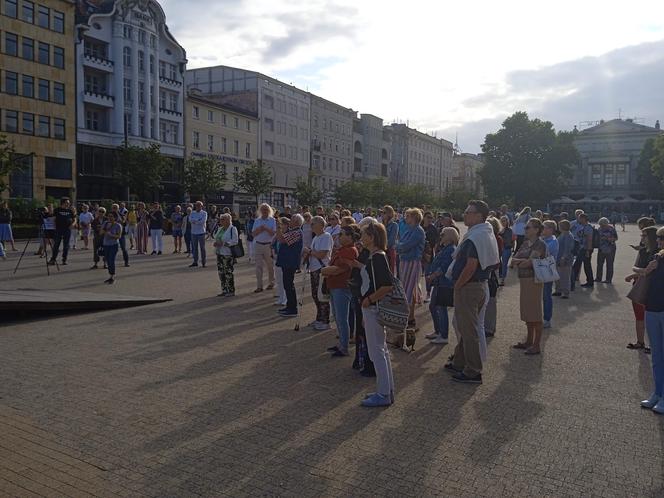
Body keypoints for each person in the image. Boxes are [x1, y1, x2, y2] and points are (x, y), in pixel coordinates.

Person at [446, 200, 498, 384]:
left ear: (478, 215)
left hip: (469, 286)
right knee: (465, 326)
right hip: (478, 285)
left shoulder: (476, 236)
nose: (465, 214)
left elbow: (470, 266)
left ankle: (473, 371)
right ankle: (460, 362)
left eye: (468, 212)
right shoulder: (484, 232)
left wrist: (458, 285)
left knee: (469, 330)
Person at [356, 221, 395, 407]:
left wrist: (369, 300)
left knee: (376, 351)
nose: (361, 237)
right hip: (371, 307)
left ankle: (383, 393)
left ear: (371, 237)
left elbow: (387, 285)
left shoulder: (378, 257)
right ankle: (386, 389)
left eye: (363, 234)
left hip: (373, 307)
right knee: (381, 350)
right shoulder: (375, 255)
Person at [635, 227, 664, 413]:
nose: (660, 241)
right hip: (652, 308)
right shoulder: (657, 258)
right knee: (656, 356)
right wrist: (647, 270)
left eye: (663, 238)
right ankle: (658, 392)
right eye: (660, 238)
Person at [511, 218, 548, 355]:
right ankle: (529, 340)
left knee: (535, 313)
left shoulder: (540, 244)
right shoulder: (526, 243)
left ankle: (536, 344)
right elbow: (514, 259)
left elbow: (530, 262)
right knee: (527, 311)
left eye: (528, 227)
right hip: (525, 280)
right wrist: (522, 261)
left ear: (536, 230)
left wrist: (520, 261)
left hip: (534, 280)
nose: (525, 229)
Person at [322, 225, 360, 356]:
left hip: (342, 287)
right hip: (335, 285)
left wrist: (323, 271)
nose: (339, 236)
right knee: (339, 318)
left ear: (350, 237)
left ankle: (344, 347)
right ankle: (341, 344)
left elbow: (339, 269)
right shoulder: (343, 249)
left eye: (342, 234)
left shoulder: (350, 250)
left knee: (342, 318)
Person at [626, 226, 659, 353]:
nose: (642, 238)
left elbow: (644, 271)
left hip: (652, 288)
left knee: (652, 317)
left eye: (644, 235)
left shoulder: (657, 253)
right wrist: (638, 272)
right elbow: (643, 270)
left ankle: (653, 343)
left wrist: (636, 272)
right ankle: (640, 342)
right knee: (639, 315)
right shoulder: (644, 251)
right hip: (640, 285)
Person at [425, 227, 458, 344]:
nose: (441, 236)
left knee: (440, 308)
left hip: (444, 283)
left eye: (443, 234)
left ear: (449, 236)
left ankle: (443, 335)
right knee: (434, 306)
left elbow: (444, 267)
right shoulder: (446, 248)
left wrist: (432, 276)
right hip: (440, 282)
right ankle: (438, 331)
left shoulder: (450, 250)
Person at [396, 208, 426, 329]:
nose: (405, 218)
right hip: (405, 260)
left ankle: (408, 317)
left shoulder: (418, 231)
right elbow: (400, 243)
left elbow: (405, 245)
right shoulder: (410, 229)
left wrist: (398, 246)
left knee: (409, 289)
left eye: (408, 216)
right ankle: (409, 317)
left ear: (414, 217)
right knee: (407, 289)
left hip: (412, 261)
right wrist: (399, 246)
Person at [304, 216, 333, 330]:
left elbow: (322, 254)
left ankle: (325, 321)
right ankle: (319, 318)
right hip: (314, 268)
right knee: (315, 295)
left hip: (322, 269)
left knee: (322, 296)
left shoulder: (326, 236)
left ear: (321, 225)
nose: (311, 226)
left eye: (313, 224)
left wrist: (309, 251)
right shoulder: (316, 237)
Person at [276, 214, 304, 318]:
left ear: (296, 222)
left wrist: (278, 228)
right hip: (287, 261)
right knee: (287, 285)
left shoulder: (296, 232)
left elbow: (282, 239)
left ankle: (292, 308)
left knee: (289, 285)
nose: (289, 221)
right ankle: (289, 306)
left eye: (291, 219)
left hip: (290, 262)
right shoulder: (293, 231)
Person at [483, 216, 503, 337]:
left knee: (491, 300)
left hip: (492, 271)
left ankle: (490, 327)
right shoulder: (489, 238)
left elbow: (496, 257)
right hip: (488, 269)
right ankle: (485, 325)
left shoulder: (497, 239)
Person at [252, 203, 277, 292]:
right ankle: (259, 286)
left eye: (266, 209)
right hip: (258, 244)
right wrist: (259, 229)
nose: (264, 211)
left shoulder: (272, 220)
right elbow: (253, 234)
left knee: (270, 266)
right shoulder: (257, 220)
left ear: (269, 210)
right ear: (260, 211)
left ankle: (271, 283)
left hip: (268, 245)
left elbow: (273, 233)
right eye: (263, 210)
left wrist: (265, 228)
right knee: (258, 266)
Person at [213, 213, 239, 297]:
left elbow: (235, 241)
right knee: (221, 272)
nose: (221, 221)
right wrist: (216, 243)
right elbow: (215, 237)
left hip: (227, 254)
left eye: (223, 219)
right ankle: (224, 289)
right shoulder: (220, 228)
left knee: (228, 272)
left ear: (228, 220)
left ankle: (231, 290)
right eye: (221, 219)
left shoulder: (232, 229)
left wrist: (223, 243)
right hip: (219, 253)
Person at [541, 220, 559, 329]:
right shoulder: (544, 239)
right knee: (543, 296)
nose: (543, 229)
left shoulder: (553, 241)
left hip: (548, 269)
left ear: (551, 229)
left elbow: (543, 254)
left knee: (547, 296)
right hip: (543, 268)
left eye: (545, 227)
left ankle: (547, 319)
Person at [571, 213, 595, 290]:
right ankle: (573, 280)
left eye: (579, 218)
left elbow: (589, 240)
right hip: (582, 248)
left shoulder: (588, 228)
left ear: (583, 219)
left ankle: (589, 282)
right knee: (579, 265)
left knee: (585, 265)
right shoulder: (584, 227)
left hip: (585, 249)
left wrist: (588, 251)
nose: (578, 220)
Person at [49, 198, 75, 266]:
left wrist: (73, 224)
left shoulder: (70, 211)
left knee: (66, 246)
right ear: (63, 203)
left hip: (67, 230)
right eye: (67, 202)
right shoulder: (57, 210)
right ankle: (53, 259)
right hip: (58, 230)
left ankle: (64, 260)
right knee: (56, 245)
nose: (68, 204)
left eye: (69, 203)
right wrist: (54, 228)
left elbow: (74, 219)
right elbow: (53, 219)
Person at [422, 211, 440, 303]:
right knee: (416, 274)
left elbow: (435, 242)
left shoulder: (433, 228)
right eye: (428, 217)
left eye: (431, 218)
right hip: (418, 254)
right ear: (424, 217)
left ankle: (428, 293)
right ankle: (417, 293)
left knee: (427, 274)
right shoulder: (419, 226)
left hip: (428, 254)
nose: (429, 219)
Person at [553, 220, 574, 299]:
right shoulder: (563, 234)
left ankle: (565, 292)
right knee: (558, 275)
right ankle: (558, 290)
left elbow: (567, 248)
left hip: (565, 259)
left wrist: (563, 258)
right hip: (558, 257)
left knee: (564, 276)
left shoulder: (568, 235)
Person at [100, 211, 122, 284]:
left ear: (115, 217)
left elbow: (119, 236)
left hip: (114, 245)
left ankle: (112, 277)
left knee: (111, 260)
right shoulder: (105, 223)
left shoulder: (118, 225)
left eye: (111, 216)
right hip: (106, 244)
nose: (110, 218)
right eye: (109, 216)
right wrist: (105, 229)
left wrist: (111, 235)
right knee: (107, 260)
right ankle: (110, 276)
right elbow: (101, 232)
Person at [596, 217, 618, 284]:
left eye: (602, 225)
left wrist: (608, 238)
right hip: (601, 248)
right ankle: (598, 278)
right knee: (599, 264)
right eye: (600, 225)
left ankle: (608, 279)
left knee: (609, 264)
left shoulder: (612, 229)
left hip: (610, 248)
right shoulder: (599, 229)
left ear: (606, 224)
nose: (601, 226)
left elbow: (616, 238)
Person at [189, 201, 208, 267]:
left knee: (202, 248)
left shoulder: (204, 213)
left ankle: (203, 262)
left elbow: (203, 221)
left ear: (201, 206)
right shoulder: (192, 213)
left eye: (199, 205)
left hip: (201, 232)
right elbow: (190, 220)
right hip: (193, 232)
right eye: (197, 205)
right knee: (194, 248)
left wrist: (195, 221)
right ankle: (195, 261)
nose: (198, 206)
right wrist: (198, 220)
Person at [111, 203, 130, 268]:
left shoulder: (121, 215)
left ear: (118, 208)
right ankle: (109, 263)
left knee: (124, 248)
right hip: (112, 234)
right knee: (112, 249)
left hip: (121, 234)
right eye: (113, 208)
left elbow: (124, 222)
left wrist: (122, 219)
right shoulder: (110, 215)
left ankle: (126, 262)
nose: (114, 209)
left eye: (116, 208)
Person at [499, 215, 513, 285]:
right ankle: (501, 276)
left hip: (506, 249)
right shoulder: (500, 229)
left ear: (507, 221)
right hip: (500, 249)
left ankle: (503, 280)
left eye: (505, 221)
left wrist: (501, 236)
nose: (504, 222)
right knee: (499, 263)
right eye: (502, 221)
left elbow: (508, 241)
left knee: (504, 264)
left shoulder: (509, 230)